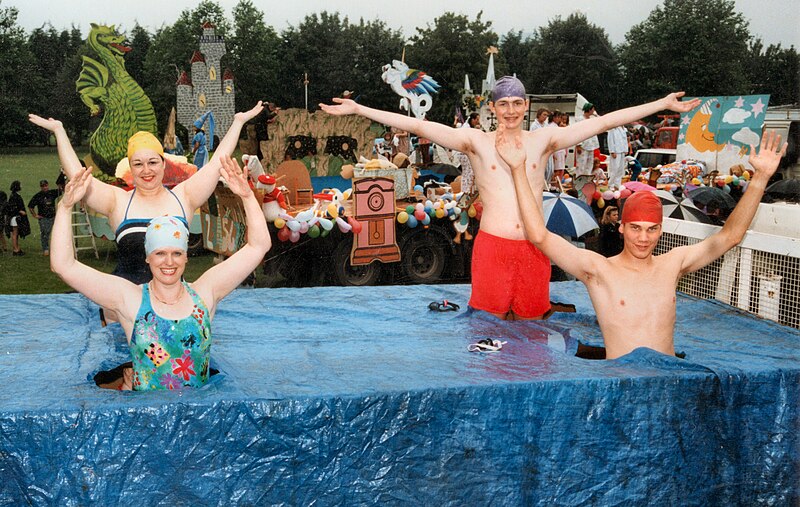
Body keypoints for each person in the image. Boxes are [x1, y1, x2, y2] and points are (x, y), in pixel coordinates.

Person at [320, 77, 698, 320]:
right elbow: (419, 125)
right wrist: (358, 109)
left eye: (518, 103)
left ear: (525, 106)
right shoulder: (476, 143)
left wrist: (660, 104)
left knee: (534, 328)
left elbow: (604, 122)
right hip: (493, 245)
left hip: (535, 247)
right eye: (504, 104)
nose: (512, 110)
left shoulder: (543, 141)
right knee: (487, 328)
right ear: (493, 109)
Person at [501, 125, 786, 358]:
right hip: (624, 380)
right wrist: (518, 169)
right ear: (622, 227)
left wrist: (760, 178)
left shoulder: (672, 264)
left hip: (668, 376)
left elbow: (730, 236)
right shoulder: (600, 271)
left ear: (660, 230)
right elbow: (538, 234)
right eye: (635, 228)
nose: (643, 238)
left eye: (652, 229)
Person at [50, 155, 271, 390]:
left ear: (186, 256)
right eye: (160, 253)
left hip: (197, 416)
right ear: (148, 257)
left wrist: (247, 196)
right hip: (146, 417)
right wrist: (64, 208)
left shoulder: (205, 292)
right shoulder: (130, 298)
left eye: (176, 253)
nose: (169, 262)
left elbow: (259, 246)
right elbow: (63, 265)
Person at [28, 102, 263, 284]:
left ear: (164, 163)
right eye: (138, 164)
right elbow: (77, 174)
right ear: (130, 169)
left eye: (152, 162)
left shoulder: (184, 197)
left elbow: (216, 163)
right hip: (122, 303)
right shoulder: (116, 201)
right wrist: (59, 131)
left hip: (170, 304)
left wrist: (238, 123)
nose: (147, 170)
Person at [27, 179, 61, 256]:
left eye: (46, 186)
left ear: (48, 185)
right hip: (44, 218)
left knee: (55, 233)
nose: (45, 187)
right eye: (43, 186)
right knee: (45, 233)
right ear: (41, 187)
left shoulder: (52, 193)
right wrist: (35, 215)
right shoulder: (38, 196)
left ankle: (55, 248)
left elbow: (61, 190)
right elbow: (30, 206)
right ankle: (45, 248)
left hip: (53, 217)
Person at [5, 181, 29, 256]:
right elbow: (12, 207)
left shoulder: (14, 195)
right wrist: (20, 211)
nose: (21, 186)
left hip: (15, 218)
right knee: (15, 233)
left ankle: (17, 248)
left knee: (16, 233)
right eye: (20, 185)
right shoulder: (15, 196)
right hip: (15, 218)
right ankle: (15, 249)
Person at [606, 124, 628, 190]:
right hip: (616, 150)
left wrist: (626, 149)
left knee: (620, 169)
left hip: (622, 150)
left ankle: (617, 184)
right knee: (614, 168)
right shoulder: (613, 128)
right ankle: (611, 184)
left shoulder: (623, 128)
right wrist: (612, 151)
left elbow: (625, 140)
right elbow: (610, 140)